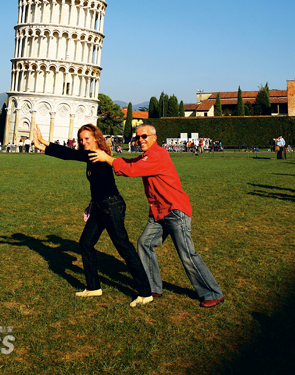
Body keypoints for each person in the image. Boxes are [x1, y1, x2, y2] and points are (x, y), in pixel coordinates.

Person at [89, 124, 224, 309]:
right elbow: (131, 163)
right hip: (159, 212)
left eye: (144, 136)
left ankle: (212, 293)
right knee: (144, 243)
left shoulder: (158, 154)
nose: (140, 140)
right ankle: (153, 287)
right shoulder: (146, 156)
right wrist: (109, 159)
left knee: (187, 254)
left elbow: (132, 170)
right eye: (137, 137)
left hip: (175, 211)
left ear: (154, 137)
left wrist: (109, 160)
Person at [33, 123, 153, 308]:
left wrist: (44, 142)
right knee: (86, 243)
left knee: (124, 247)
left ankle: (145, 292)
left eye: (87, 138)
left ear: (97, 138)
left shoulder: (96, 155)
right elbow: (93, 180)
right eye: (81, 140)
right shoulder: (92, 156)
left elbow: (69, 154)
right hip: (100, 206)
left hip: (111, 206)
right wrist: (44, 147)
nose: (83, 142)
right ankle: (93, 287)